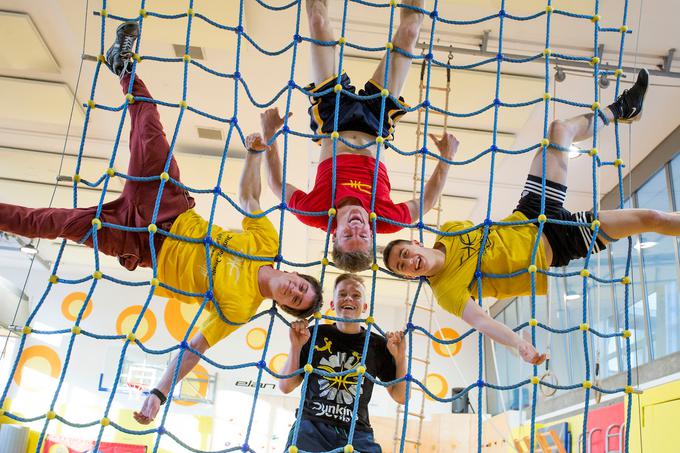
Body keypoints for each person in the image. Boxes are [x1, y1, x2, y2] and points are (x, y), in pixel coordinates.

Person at [0, 21, 323, 422]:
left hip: (141, 244)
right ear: (297, 274)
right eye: (301, 286)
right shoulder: (266, 245)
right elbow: (248, 197)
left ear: (283, 304)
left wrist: (159, 392)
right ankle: (124, 67)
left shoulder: (241, 309)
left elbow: (195, 347)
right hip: (169, 206)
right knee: (149, 126)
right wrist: (256, 152)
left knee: (54, 222)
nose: (294, 290)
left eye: (294, 299)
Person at [383, 69, 679, 364]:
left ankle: (623, 109)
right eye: (402, 267)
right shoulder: (446, 291)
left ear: (415, 242)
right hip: (559, 244)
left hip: (531, 212)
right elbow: (483, 322)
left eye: (405, 254)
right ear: (408, 276)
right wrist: (520, 345)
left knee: (560, 129)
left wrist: (446, 160)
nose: (409, 262)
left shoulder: (449, 230)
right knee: (651, 217)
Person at [257, 0, 459, 273]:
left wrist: (269, 136)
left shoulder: (316, 214)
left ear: (334, 234)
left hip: (333, 120)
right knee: (410, 32)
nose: (356, 227)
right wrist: (446, 158)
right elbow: (425, 203)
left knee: (317, 22)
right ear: (372, 236)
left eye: (347, 235)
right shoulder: (386, 219)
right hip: (376, 124)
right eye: (362, 236)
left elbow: (276, 185)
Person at [278, 274, 407, 453]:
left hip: (356, 433)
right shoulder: (314, 334)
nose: (348, 298)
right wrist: (296, 347)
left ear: (364, 307)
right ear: (332, 304)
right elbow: (285, 386)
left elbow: (401, 397)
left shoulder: (377, 344)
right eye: (342, 294)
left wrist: (400, 358)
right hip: (312, 427)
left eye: (356, 295)